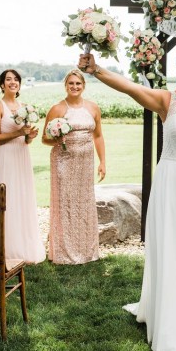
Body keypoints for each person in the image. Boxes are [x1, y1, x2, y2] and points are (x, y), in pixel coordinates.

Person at [79, 38, 176, 351]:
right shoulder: (167, 100)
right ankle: (173, 320)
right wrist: (96, 71)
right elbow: (129, 88)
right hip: (172, 185)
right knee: (174, 248)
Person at [43, 69, 106, 265]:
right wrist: (57, 139)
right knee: (66, 203)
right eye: (71, 83)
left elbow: (98, 136)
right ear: (66, 86)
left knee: (84, 203)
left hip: (86, 161)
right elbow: (45, 138)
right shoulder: (57, 109)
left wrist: (102, 161)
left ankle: (86, 250)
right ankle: (63, 251)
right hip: (64, 160)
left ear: (83, 86)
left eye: (78, 84)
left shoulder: (93, 108)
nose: (74, 87)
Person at [0, 69, 44, 264]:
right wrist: (19, 133)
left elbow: (25, 139)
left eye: (16, 79)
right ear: (2, 84)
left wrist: (29, 136)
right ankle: (4, 249)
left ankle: (23, 247)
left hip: (21, 156)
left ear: (20, 84)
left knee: (22, 197)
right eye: (8, 79)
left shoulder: (25, 107)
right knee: (7, 200)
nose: (13, 82)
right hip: (5, 157)